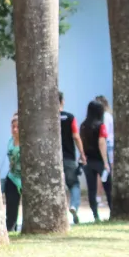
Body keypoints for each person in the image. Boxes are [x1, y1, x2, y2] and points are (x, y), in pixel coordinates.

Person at [80, 101, 112, 222]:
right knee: (108, 188)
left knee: (91, 189)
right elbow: (101, 143)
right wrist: (105, 162)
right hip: (100, 161)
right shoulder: (100, 126)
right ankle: (112, 212)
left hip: (88, 161)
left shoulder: (83, 125)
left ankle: (95, 215)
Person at [59, 92, 86, 224]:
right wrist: (82, 153)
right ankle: (74, 205)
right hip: (68, 157)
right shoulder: (70, 117)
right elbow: (76, 136)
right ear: (62, 101)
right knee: (74, 184)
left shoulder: (47, 118)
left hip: (53, 160)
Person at [4, 113, 22, 233]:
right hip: (12, 178)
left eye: (17, 127)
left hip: (24, 178)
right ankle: (10, 229)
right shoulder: (10, 141)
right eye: (13, 127)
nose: (15, 129)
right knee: (11, 207)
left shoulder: (26, 143)